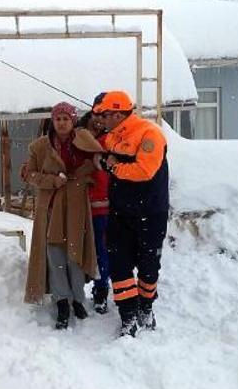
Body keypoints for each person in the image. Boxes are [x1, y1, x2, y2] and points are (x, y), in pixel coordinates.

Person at [22, 101, 104, 330]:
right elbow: (28, 173)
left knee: (75, 254)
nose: (61, 123)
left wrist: (82, 175)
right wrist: (52, 181)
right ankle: (61, 302)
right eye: (58, 119)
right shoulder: (39, 146)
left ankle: (78, 299)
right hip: (50, 208)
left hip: (76, 207)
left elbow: (98, 162)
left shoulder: (85, 141)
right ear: (52, 120)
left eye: (66, 118)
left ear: (73, 120)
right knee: (55, 254)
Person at [94, 91, 169, 337]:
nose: (100, 120)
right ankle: (128, 315)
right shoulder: (112, 137)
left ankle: (145, 308)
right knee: (119, 266)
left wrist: (113, 166)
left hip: (150, 213)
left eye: (103, 115)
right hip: (120, 214)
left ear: (117, 113)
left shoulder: (150, 134)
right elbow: (101, 153)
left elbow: (144, 171)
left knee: (149, 267)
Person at [76, 108, 111, 314]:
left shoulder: (112, 140)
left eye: (103, 117)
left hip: (104, 207)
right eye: (96, 116)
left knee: (102, 252)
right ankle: (75, 292)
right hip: (79, 206)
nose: (99, 121)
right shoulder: (78, 139)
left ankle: (101, 291)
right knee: (77, 252)